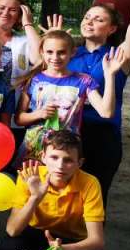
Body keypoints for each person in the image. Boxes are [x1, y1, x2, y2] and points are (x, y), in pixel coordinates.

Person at [2, 131, 109, 250]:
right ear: (43, 157)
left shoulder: (90, 184)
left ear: (79, 163)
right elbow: (12, 230)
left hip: (72, 242)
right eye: (54, 157)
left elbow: (97, 241)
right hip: (38, 235)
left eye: (68, 160)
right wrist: (35, 197)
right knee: (9, 248)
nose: (60, 166)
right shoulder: (28, 176)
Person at [67, 0, 130, 201]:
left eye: (99, 19)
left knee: (93, 201)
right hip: (67, 135)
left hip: (102, 137)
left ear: (112, 28)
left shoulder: (118, 56)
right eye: (87, 17)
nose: (89, 22)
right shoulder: (68, 54)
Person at [15, 30, 124, 164]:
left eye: (61, 52)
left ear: (72, 52)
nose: (55, 57)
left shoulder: (84, 81)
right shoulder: (33, 80)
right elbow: (19, 119)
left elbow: (106, 112)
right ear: (42, 52)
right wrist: (39, 114)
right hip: (33, 149)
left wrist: (110, 75)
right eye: (49, 52)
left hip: (65, 152)